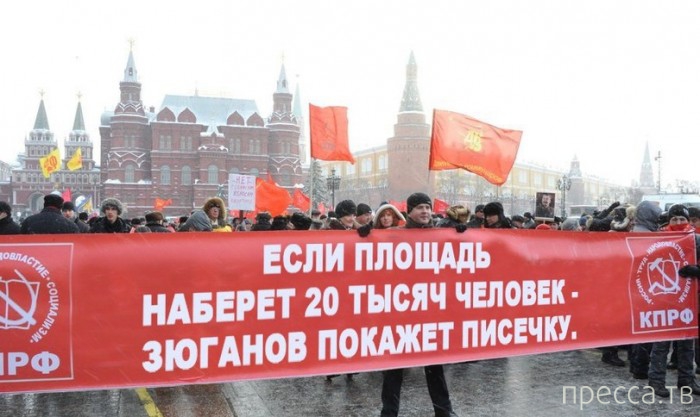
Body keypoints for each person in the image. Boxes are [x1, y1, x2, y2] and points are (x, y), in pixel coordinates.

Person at [365, 192, 457, 417]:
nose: (425, 211)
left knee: (434, 366)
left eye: (427, 207)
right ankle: (389, 412)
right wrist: (363, 235)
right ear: (410, 212)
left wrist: (463, 234)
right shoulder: (395, 235)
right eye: (420, 208)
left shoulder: (440, 235)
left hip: (429, 310)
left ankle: (444, 411)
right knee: (394, 367)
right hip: (401, 312)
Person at [647, 204, 700, 397]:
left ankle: (687, 380)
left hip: (688, 299)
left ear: (688, 220)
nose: (678, 222)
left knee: (686, 344)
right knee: (661, 344)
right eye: (674, 219)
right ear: (669, 221)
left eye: (682, 219)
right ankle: (656, 381)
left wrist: (697, 271)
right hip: (664, 299)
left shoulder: (696, 240)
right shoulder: (658, 239)